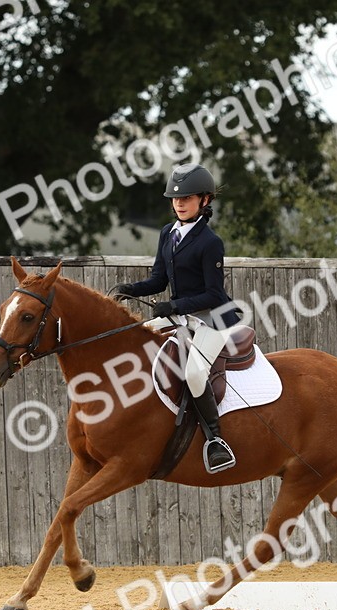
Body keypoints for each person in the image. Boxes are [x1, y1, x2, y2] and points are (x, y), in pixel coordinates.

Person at [108, 163, 239, 473]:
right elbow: (157, 280)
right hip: (180, 316)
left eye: (187, 198)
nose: (179, 203)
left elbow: (214, 295)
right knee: (135, 338)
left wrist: (175, 306)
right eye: (175, 199)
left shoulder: (210, 243)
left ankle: (215, 440)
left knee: (194, 373)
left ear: (204, 201)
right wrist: (130, 288)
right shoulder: (168, 233)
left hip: (212, 319)